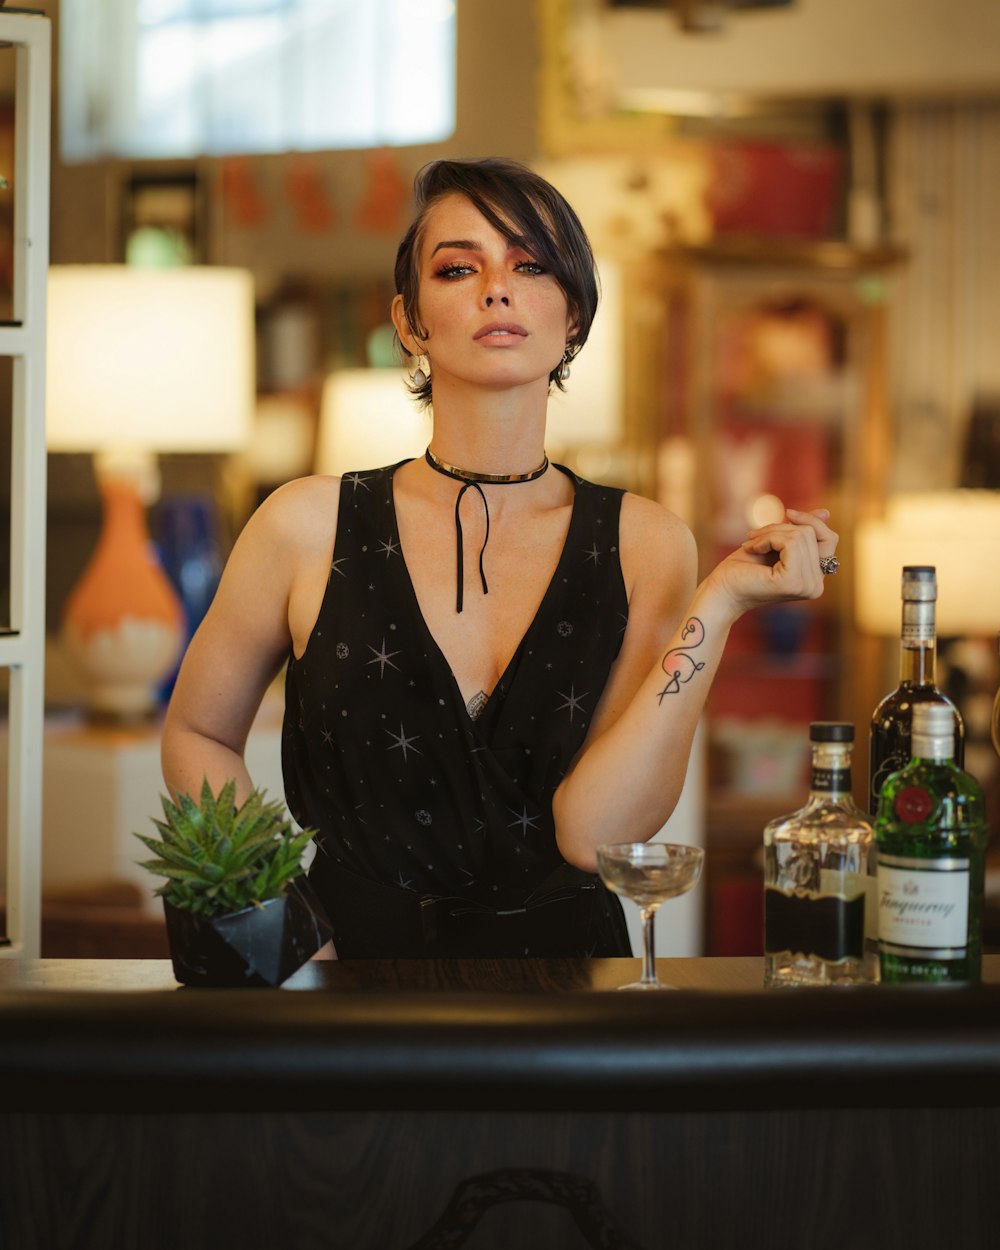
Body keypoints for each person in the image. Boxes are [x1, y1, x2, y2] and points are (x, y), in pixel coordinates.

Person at [161, 157, 839, 958]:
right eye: (458, 267)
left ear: (575, 316)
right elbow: (199, 732)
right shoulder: (305, 523)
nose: (496, 287)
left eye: (531, 265)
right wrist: (274, 918)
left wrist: (720, 604)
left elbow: (594, 834)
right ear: (410, 322)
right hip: (347, 987)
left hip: (569, 998)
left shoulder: (646, 541)